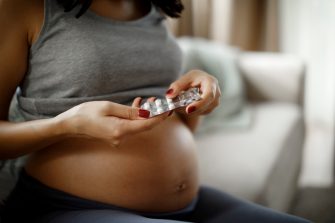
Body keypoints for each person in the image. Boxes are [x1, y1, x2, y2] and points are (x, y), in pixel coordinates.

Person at [0, 0, 311, 222]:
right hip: (66, 205)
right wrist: (67, 125)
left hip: (191, 203)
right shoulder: (25, 6)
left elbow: (179, 126)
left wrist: (194, 99)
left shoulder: (153, 9)